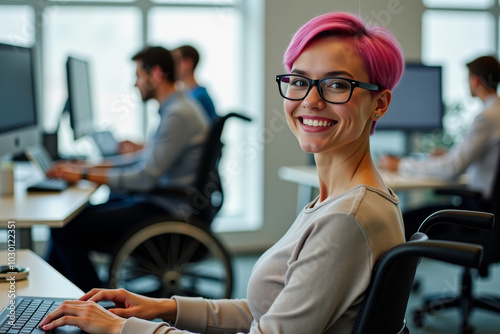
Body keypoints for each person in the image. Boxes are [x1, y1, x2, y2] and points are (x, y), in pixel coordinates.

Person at [40, 12, 405, 334]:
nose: (311, 99)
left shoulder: (346, 219)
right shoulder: (335, 202)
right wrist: (163, 307)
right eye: (298, 80)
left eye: (337, 84)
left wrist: (122, 328)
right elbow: (269, 311)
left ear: (380, 104)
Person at [45, 46, 210, 292]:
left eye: (138, 76)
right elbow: (143, 160)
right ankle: (54, 302)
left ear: (155, 74)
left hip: (165, 209)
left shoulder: (178, 113)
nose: (135, 84)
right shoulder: (177, 107)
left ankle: (94, 303)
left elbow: (144, 178)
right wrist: (92, 166)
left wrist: (83, 174)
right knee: (75, 218)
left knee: (64, 227)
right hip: (163, 200)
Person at [379, 55, 500, 240]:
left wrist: (400, 165)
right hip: (489, 209)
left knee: (403, 221)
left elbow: (453, 168)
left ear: (475, 80)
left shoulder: (486, 118)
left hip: (478, 211)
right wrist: (449, 156)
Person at [172, 45, 218, 121]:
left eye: (176, 62)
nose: (172, 67)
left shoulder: (198, 98)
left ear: (188, 63)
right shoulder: (190, 95)